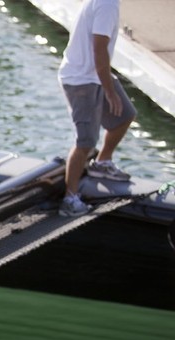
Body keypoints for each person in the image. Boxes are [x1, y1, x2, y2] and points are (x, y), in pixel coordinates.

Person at [57, 0, 137, 217]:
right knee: (85, 142)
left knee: (125, 116)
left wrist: (108, 86)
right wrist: (110, 91)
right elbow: (99, 48)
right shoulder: (107, 4)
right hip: (81, 80)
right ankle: (70, 199)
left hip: (94, 75)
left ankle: (102, 162)